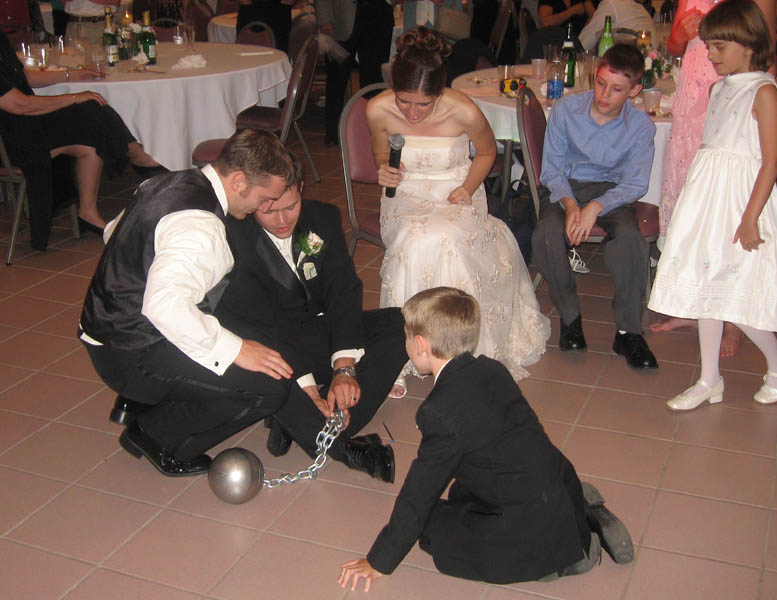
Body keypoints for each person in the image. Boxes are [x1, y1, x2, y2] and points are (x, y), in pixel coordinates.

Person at [338, 287, 634, 592]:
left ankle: (569, 558)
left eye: (406, 338)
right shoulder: (491, 369)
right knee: (460, 496)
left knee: (432, 530)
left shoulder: (439, 411)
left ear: (422, 345)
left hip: (532, 526)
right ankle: (581, 509)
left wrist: (379, 560)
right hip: (557, 483)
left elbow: (419, 493)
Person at [79, 130, 303, 478]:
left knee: (233, 322)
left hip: (105, 330)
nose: (264, 208)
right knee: (270, 387)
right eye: (264, 198)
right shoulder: (201, 227)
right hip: (131, 352)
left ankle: (149, 404)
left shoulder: (167, 181)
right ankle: (156, 436)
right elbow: (165, 307)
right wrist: (235, 349)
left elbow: (112, 231)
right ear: (239, 180)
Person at [366, 27, 550, 386]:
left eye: (423, 104)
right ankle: (403, 351)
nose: (412, 112)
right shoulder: (377, 110)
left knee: (447, 239)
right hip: (406, 194)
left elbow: (486, 152)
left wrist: (468, 187)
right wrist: (384, 169)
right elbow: (379, 151)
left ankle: (456, 351)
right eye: (404, 102)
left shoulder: (463, 109)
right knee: (415, 241)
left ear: (440, 93)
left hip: (457, 189)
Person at [214, 153, 407, 481]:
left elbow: (343, 291)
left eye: (290, 207)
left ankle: (317, 418)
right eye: (268, 210)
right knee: (266, 374)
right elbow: (262, 323)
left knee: (401, 323)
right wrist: (307, 387)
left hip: (316, 330)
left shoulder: (323, 217)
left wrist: (344, 368)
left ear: (301, 188)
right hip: (270, 340)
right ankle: (340, 445)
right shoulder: (234, 235)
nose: (281, 220)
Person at [649, 0, 777, 411]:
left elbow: (771, 162)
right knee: (706, 286)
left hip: (742, 202)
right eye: (709, 45)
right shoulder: (719, 87)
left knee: (738, 292)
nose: (710, 55)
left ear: (748, 44)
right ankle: (709, 378)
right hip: (709, 200)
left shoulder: (763, 92)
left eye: (718, 47)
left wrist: (750, 218)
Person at [532, 43, 658, 369]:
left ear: (634, 91)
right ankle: (570, 318)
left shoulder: (641, 126)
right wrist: (571, 205)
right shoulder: (565, 110)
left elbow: (635, 183)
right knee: (547, 233)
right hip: (566, 186)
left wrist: (596, 206)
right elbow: (551, 171)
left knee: (630, 240)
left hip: (611, 192)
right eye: (600, 83)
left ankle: (628, 331)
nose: (604, 94)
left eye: (616, 89)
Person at [0, 30, 162, 251]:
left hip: (24, 127)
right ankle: (138, 157)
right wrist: (74, 97)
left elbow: (24, 77)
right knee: (88, 110)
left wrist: (72, 74)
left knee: (91, 124)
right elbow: (20, 105)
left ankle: (89, 212)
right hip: (11, 143)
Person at [315, 0, 394, 146]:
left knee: (374, 80)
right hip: (341, 19)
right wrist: (324, 17)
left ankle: (370, 130)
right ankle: (333, 131)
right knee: (336, 78)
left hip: (379, 16)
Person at [578, 0, 655, 52]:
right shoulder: (642, 9)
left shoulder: (611, 4)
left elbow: (582, 44)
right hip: (649, 64)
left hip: (627, 65)